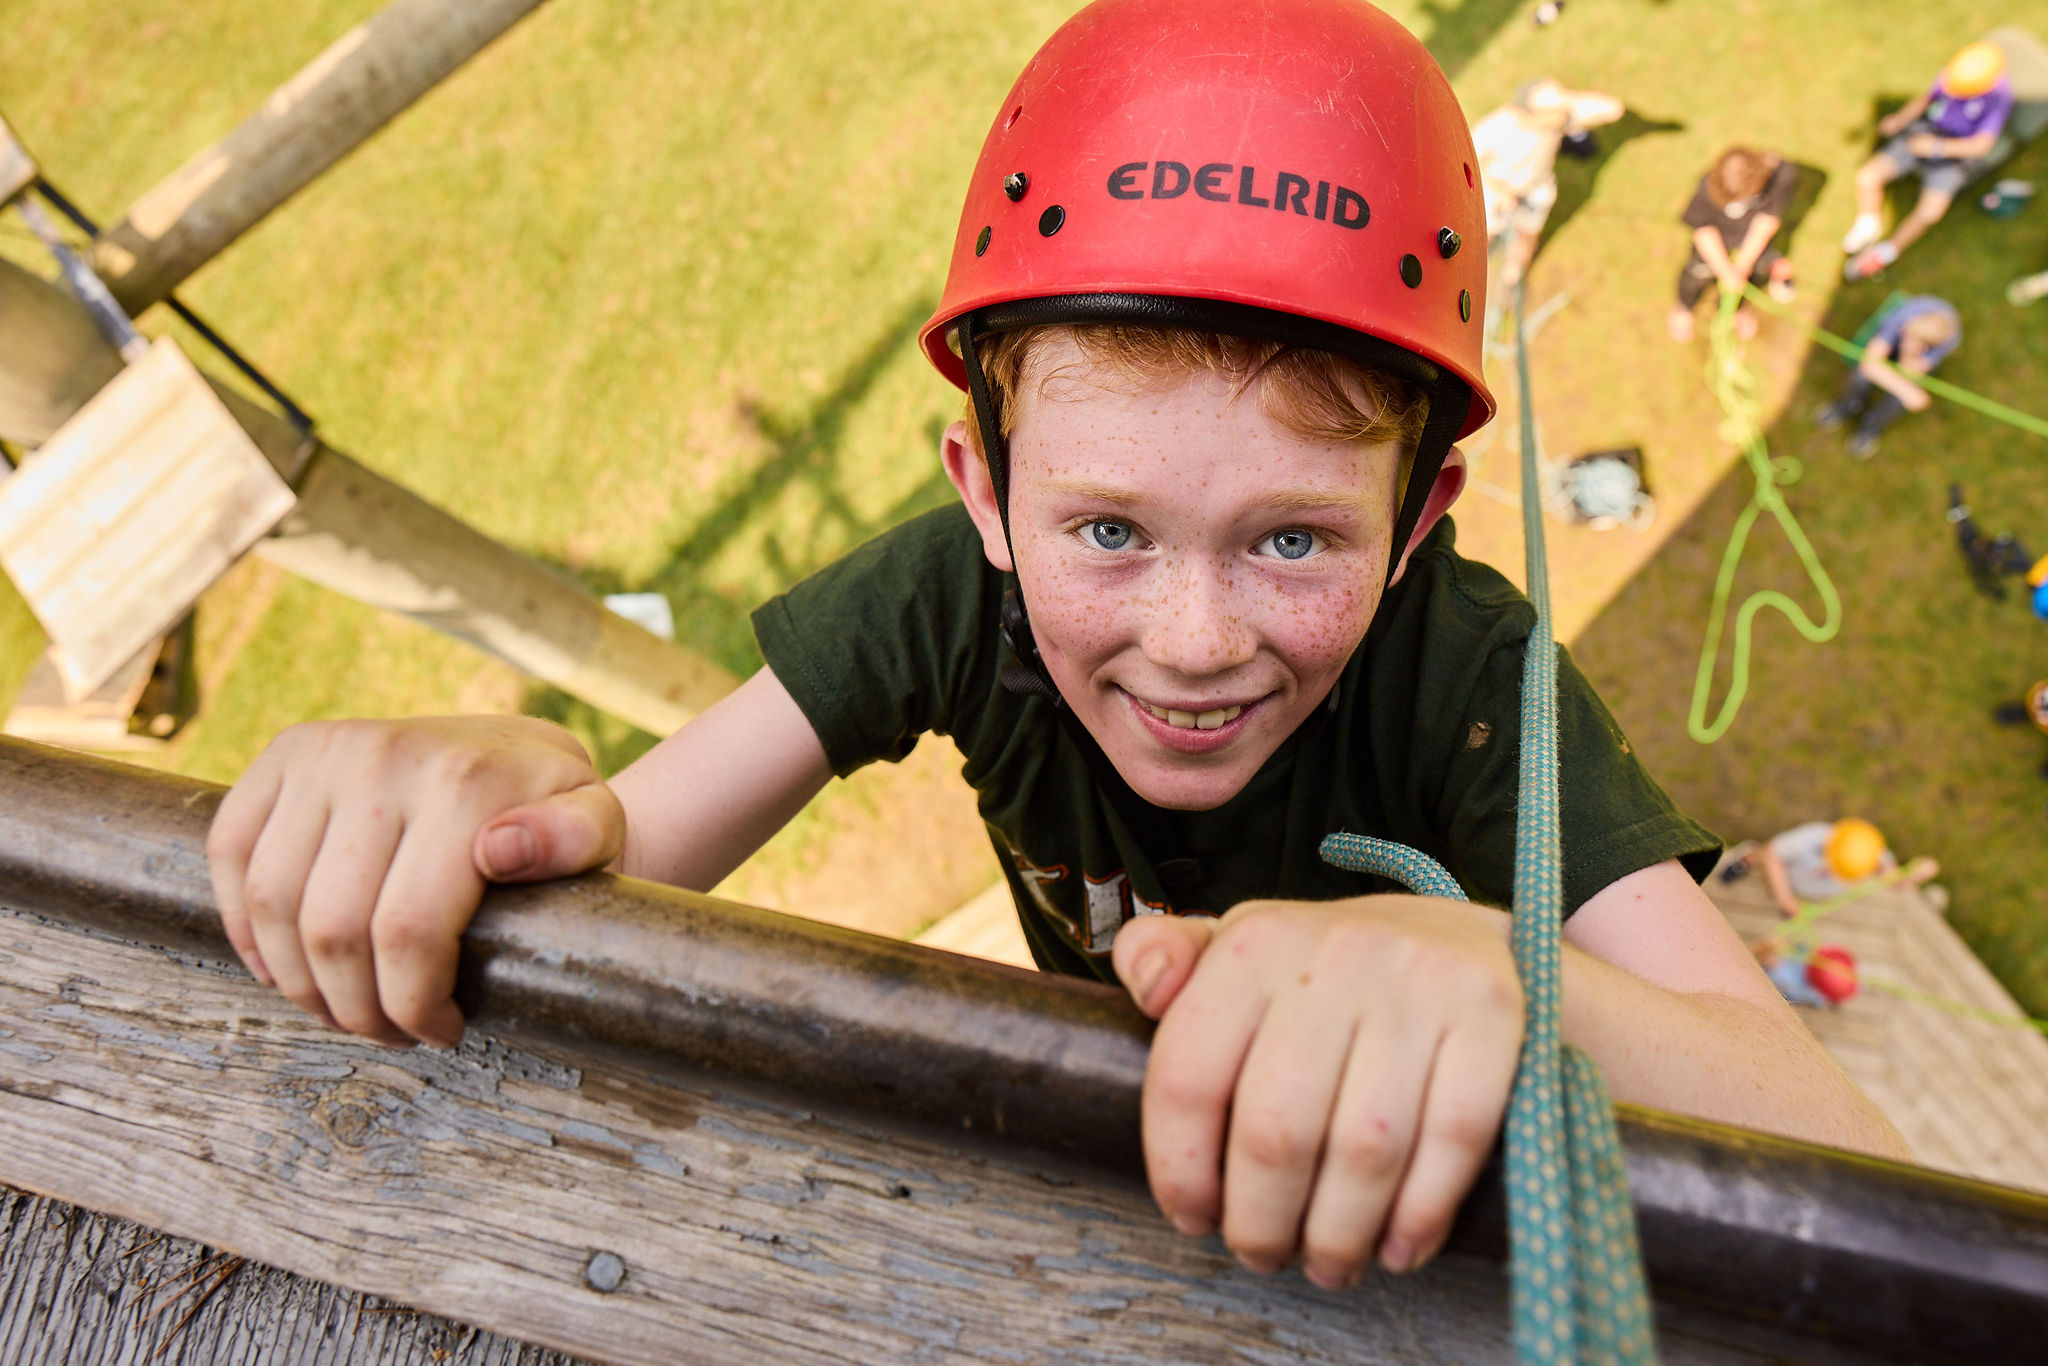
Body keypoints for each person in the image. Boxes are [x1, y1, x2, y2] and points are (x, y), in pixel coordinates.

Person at [205, 0, 1909, 1291]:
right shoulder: (953, 591)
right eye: (1106, 530)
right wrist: (489, 803)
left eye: (1295, 539)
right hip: (1112, 1168)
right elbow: (630, 847)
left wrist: (1498, 970)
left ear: (1421, 514)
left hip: (1406, 1216)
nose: (1191, 645)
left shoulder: (1468, 679)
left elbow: (1835, 1143)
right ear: (986, 490)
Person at [1843, 42, 2014, 280]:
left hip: (1953, 154)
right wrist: (1900, 120)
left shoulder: (1999, 97)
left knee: (1929, 213)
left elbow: (1981, 146)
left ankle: (1884, 252)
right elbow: (1926, 99)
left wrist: (1937, 148)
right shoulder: (1956, 73)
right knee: (1867, 177)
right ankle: (1869, 223)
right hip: (1926, 131)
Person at [1471, 77, 1624, 290]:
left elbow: (1613, 109)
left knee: (1527, 235)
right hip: (1495, 189)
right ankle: (1468, 270)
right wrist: (1501, 191)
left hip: (1537, 188)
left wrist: (1564, 99)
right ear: (1525, 111)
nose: (1559, 117)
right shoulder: (1496, 127)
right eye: (1549, 111)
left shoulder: (1557, 121)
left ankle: (1513, 277)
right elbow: (1467, 164)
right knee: (1483, 235)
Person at [1667, 147, 1798, 343]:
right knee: (1696, 273)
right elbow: (1703, 231)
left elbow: (1767, 221)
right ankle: (1684, 308)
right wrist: (1726, 271)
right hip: (1717, 240)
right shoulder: (1708, 185)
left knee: (1752, 275)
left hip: (1752, 240)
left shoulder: (1782, 175)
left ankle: (1736, 310)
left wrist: (1742, 266)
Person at [1813, 295, 1960, 458]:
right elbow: (1868, 364)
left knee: (1895, 402)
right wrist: (1907, 391)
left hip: (1910, 354)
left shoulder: (1947, 338)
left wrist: (1908, 350)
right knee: (1860, 377)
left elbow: (1913, 370)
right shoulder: (1901, 318)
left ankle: (1870, 427)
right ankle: (1850, 405)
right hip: (1885, 351)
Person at [1722, 818, 1936, 920]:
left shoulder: (1872, 855)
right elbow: (1772, 855)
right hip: (1785, 873)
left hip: (1809, 892)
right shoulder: (1814, 837)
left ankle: (1791, 903)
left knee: (1793, 906)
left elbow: (1895, 883)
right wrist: (1785, 899)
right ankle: (1744, 862)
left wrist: (1912, 876)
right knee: (1761, 854)